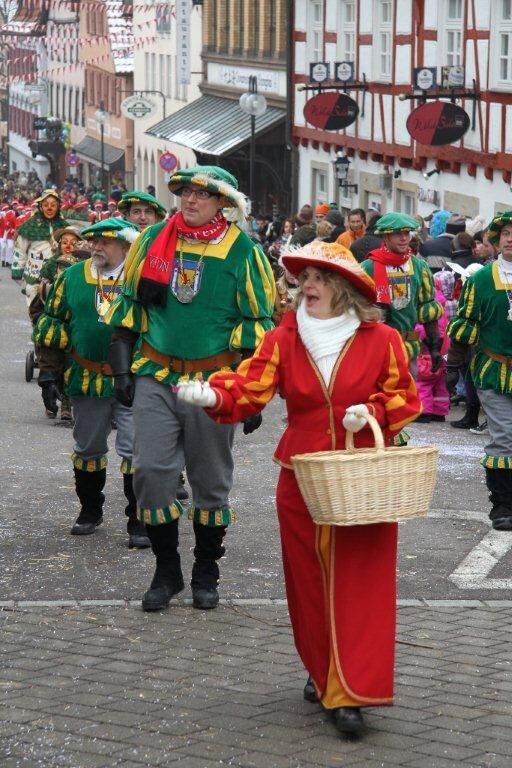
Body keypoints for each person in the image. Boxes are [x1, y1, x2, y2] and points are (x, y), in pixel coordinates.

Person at [176, 241, 421, 736]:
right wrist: (213, 394)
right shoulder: (283, 338)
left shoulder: (383, 340)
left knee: (361, 581)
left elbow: (404, 396)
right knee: (309, 580)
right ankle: (323, 669)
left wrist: (370, 412)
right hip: (303, 473)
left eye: (319, 278)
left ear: (346, 290)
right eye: (303, 277)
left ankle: (349, 691)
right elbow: (251, 387)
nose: (306, 286)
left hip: (364, 478)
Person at [104, 165, 275, 612]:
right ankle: (167, 570)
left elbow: (256, 323)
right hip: (156, 374)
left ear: (223, 202)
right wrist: (122, 370)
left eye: (201, 195)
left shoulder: (243, 251)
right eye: (184, 193)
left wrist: (250, 391)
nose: (190, 201)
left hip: (214, 382)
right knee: (150, 473)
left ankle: (205, 570)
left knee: (210, 481)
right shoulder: (153, 239)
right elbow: (130, 305)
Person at [32, 218, 151, 549]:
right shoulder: (72, 276)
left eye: (106, 242)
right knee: (88, 448)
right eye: (94, 240)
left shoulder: (141, 278)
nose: (96, 246)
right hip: (86, 376)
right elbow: (53, 321)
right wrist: (49, 370)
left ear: (126, 246)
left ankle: (138, 518)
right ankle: (90, 510)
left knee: (134, 449)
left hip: (135, 379)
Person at [447, 212, 512, 530]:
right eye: (506, 233)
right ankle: (502, 507)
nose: (511, 238)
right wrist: (452, 364)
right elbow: (465, 325)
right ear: (497, 240)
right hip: (493, 369)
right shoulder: (482, 280)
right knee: (504, 438)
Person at [361, 213, 443, 372]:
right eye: (398, 233)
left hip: (409, 349)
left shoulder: (420, 267)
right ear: (386, 235)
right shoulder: (367, 267)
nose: (404, 238)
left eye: (407, 233)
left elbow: (427, 309)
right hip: (376, 350)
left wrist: (434, 347)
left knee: (408, 395)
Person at [11, 190, 67, 306]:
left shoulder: (64, 225)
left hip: (57, 274)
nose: (49, 208)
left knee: (55, 309)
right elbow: (20, 249)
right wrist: (17, 270)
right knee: (35, 309)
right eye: (46, 205)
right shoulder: (30, 225)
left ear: (58, 207)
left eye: (53, 205)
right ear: (40, 206)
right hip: (34, 274)